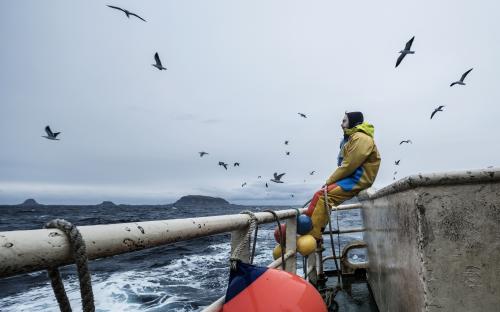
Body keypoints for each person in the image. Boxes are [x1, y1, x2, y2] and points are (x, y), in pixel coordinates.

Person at [305, 111, 381, 239]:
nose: (341, 124)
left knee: (323, 196)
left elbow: (349, 165)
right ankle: (315, 232)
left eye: (344, 121)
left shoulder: (361, 138)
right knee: (322, 194)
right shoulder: (352, 138)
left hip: (358, 179)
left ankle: (312, 236)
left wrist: (329, 182)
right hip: (352, 178)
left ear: (353, 122)